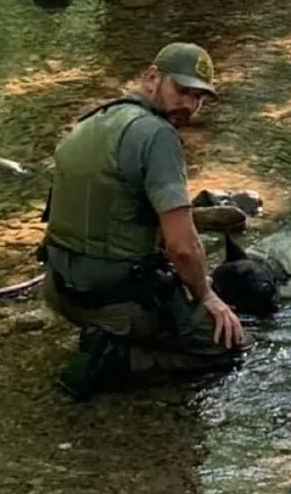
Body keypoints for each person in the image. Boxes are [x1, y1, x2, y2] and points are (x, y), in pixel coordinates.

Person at [41, 42, 246, 399]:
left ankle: (106, 335)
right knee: (230, 345)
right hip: (113, 300)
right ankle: (119, 357)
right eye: (182, 90)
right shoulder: (157, 135)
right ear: (152, 78)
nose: (189, 105)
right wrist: (207, 296)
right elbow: (182, 248)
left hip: (60, 289)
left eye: (199, 98)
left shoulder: (91, 121)